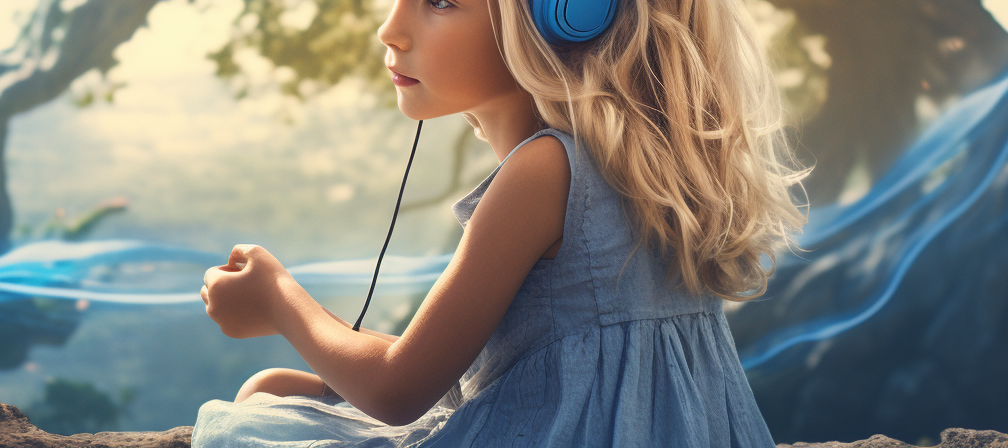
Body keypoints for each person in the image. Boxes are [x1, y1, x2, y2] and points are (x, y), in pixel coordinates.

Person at [191, 0, 805, 446]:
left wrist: (277, 297)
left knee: (255, 416)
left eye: (438, 2)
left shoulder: (545, 172)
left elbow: (398, 390)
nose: (391, 28)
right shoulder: (647, 169)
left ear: (566, 16)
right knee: (277, 389)